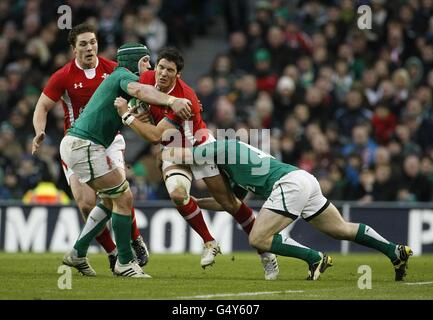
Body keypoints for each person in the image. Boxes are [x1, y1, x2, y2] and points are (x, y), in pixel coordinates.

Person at [114, 47, 279, 280]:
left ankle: (267, 255)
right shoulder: (147, 79)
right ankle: (209, 242)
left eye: (169, 70)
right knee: (178, 194)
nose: (162, 73)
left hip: (198, 147)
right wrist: (137, 109)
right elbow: (143, 106)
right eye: (160, 67)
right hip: (172, 147)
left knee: (229, 203)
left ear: (177, 75)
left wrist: (127, 115)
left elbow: (153, 136)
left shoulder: (185, 99)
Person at [162, 139, 413, 281]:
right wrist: (195, 201)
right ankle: (395, 251)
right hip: (303, 179)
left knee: (258, 238)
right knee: (340, 229)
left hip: (288, 184)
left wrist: (162, 149)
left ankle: (314, 258)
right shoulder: (234, 165)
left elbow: (183, 153)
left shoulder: (220, 146)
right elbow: (230, 204)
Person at [59, 42, 192, 278]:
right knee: (124, 197)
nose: (149, 67)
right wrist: (172, 101)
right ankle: (124, 262)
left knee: (112, 200)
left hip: (83, 144)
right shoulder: (123, 76)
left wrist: (134, 114)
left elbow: (143, 122)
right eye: (146, 62)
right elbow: (140, 91)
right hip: (85, 145)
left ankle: (78, 252)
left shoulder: (119, 81)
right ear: (136, 62)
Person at [31, 23, 150, 271]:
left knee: (118, 191)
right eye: (83, 44)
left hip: (110, 140)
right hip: (79, 142)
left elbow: (135, 94)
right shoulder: (63, 75)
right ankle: (112, 252)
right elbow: (42, 106)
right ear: (74, 49)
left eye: (93, 42)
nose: (89, 48)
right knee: (87, 203)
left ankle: (134, 238)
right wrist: (39, 131)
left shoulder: (113, 69)